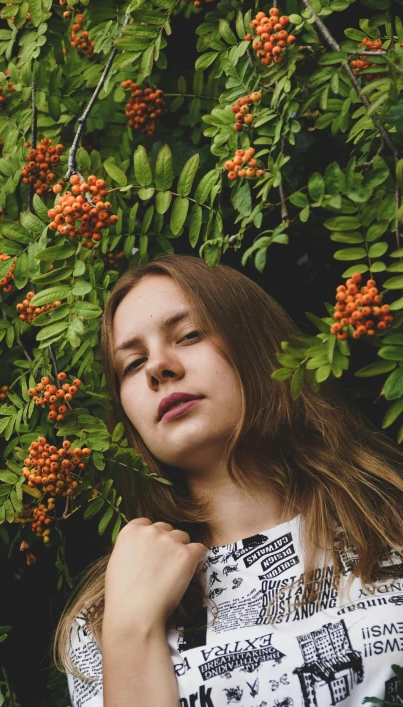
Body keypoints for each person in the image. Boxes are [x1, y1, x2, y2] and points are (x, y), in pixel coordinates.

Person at [53, 254, 403, 707]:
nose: (159, 366)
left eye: (190, 334)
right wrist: (131, 631)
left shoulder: (389, 520)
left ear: (257, 342)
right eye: (134, 363)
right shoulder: (104, 615)